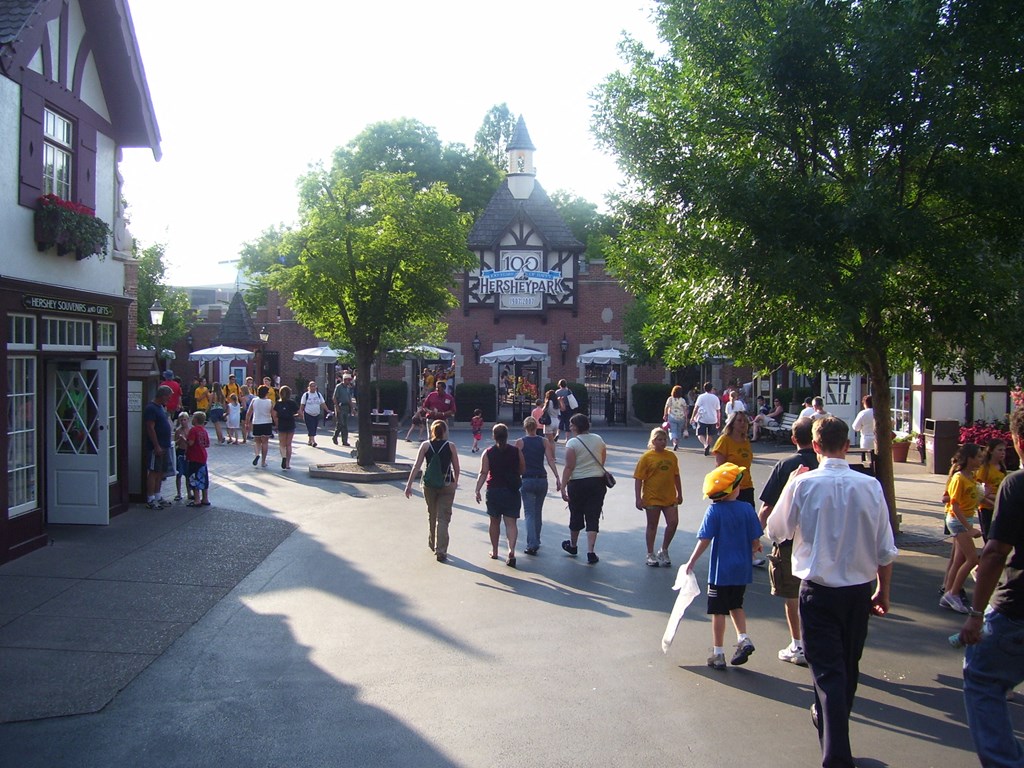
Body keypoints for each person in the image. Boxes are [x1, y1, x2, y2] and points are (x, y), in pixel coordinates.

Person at [766, 417, 898, 768]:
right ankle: (832, 730)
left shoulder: (803, 483)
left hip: (819, 590)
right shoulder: (870, 486)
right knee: (847, 668)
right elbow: (885, 548)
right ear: (847, 445)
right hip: (857, 590)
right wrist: (883, 591)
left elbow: (776, 531)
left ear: (816, 446)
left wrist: (788, 488)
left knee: (828, 673)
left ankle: (836, 753)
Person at [958, 408, 1024, 768]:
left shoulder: (1017, 484)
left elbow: (996, 552)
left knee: (982, 676)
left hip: (1017, 607)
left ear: (1017, 441)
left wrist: (976, 613)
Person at [685, 462, 763, 670]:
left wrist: (692, 561)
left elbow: (705, 539)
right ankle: (743, 638)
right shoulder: (747, 509)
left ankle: (718, 653)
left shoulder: (714, 511)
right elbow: (756, 540)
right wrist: (754, 548)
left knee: (718, 611)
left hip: (721, 571)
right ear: (734, 489)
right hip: (742, 569)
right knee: (736, 605)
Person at [757, 417, 818, 666]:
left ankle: (798, 644)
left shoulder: (785, 466)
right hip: (820, 539)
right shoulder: (823, 464)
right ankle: (818, 642)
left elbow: (767, 508)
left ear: (794, 439)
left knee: (792, 594)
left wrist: (754, 536)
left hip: (789, 539)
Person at [404, 420, 460, 563]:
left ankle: (432, 542)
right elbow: (456, 467)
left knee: (432, 514)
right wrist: (455, 483)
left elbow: (416, 466)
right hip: (446, 483)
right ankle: (441, 550)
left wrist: (409, 485)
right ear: (445, 431)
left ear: (432, 431)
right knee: (443, 518)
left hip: (429, 485)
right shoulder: (451, 446)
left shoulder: (425, 445)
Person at [939, 443, 985, 614]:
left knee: (959, 559)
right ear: (969, 459)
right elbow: (954, 505)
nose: (981, 460)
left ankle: (948, 592)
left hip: (966, 519)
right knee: (972, 559)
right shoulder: (958, 478)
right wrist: (969, 528)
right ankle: (953, 593)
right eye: (978, 457)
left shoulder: (971, 477)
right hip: (957, 521)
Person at [559, 413, 607, 564]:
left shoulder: (572, 443)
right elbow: (602, 458)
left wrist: (563, 486)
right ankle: (591, 551)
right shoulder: (598, 439)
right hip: (597, 481)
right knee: (593, 515)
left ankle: (573, 545)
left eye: (571, 424)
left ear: (576, 427)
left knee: (576, 513)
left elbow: (569, 467)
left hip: (577, 482)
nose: (570, 426)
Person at [475, 423, 525, 567]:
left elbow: (483, 472)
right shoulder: (516, 451)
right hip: (511, 490)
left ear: (494, 436)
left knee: (494, 522)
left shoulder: (488, 452)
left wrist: (477, 489)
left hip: (494, 490)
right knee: (511, 523)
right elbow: (522, 470)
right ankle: (511, 551)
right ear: (507, 436)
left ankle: (495, 550)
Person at [634, 427, 681, 567]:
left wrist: (680, 493)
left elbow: (676, 475)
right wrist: (638, 498)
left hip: (669, 496)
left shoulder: (671, 456)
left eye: (664, 439)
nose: (663, 442)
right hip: (652, 497)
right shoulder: (646, 457)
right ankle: (650, 554)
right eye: (659, 440)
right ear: (653, 441)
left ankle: (664, 550)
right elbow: (638, 478)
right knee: (652, 525)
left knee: (673, 522)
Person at [514, 416, 560, 556]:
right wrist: (557, 477)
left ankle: (532, 543)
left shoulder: (520, 442)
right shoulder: (544, 441)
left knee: (529, 513)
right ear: (536, 427)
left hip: (527, 479)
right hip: (541, 479)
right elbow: (550, 460)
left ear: (525, 427)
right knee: (538, 512)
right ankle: (537, 540)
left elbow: (514, 462)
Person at [144, 385, 174, 509]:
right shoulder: (151, 408)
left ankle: (158, 496)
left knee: (161, 472)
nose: (169, 399)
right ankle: (150, 499)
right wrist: (156, 445)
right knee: (153, 471)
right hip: (156, 446)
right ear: (162, 395)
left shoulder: (160, 407)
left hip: (165, 444)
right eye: (168, 397)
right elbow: (150, 428)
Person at [976, 438, 1008, 540]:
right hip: (986, 507)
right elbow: (978, 490)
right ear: (990, 451)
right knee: (988, 536)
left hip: (999, 505)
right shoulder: (984, 468)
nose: (1003, 453)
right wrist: (991, 499)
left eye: (1004, 450)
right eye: (999, 450)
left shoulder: (1002, 467)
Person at [245, 384, 276, 468]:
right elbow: (273, 414)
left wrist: (247, 423)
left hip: (256, 422)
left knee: (257, 441)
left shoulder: (254, 401)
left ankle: (257, 454)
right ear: (266, 393)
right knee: (265, 442)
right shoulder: (270, 402)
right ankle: (263, 461)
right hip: (267, 423)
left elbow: (249, 413)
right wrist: (276, 424)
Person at [185, 411, 211, 506]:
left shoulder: (193, 430)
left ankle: (197, 499)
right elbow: (207, 444)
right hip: (203, 456)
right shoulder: (204, 430)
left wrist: (184, 440)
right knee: (203, 477)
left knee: (194, 477)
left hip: (194, 457)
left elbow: (191, 443)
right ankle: (205, 498)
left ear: (195, 420)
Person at [693, 382, 721, 457]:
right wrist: (718, 420)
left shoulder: (701, 397)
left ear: (704, 388)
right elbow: (718, 410)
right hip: (713, 418)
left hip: (703, 418)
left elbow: (696, 408)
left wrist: (693, 417)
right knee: (710, 434)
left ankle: (705, 444)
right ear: (711, 389)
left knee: (700, 433)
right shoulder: (715, 398)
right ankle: (708, 445)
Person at [274, 385, 298, 470]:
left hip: (281, 423)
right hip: (290, 423)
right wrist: (293, 415)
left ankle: (283, 457)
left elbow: (275, 415)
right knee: (289, 444)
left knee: (282, 444)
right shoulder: (292, 403)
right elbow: (299, 413)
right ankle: (287, 463)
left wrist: (276, 425)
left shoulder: (278, 403)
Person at [331, 373, 356, 447]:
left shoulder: (348, 388)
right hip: (340, 406)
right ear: (344, 380)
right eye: (348, 380)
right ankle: (335, 436)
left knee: (345, 425)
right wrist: (336, 407)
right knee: (340, 423)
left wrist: (352, 408)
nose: (349, 381)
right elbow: (334, 398)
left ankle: (345, 441)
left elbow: (349, 399)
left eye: (350, 380)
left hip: (346, 407)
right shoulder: (338, 387)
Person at [300, 381, 327, 447]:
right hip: (308, 413)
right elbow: (302, 404)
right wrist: (300, 412)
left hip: (316, 414)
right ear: (309, 387)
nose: (313, 388)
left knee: (314, 427)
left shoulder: (318, 394)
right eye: (311, 386)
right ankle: (313, 441)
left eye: (314, 386)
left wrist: (327, 410)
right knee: (311, 427)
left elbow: (322, 403)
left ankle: (310, 440)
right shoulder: (306, 395)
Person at [663, 385, 690, 450]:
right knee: (679, 431)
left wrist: (665, 414)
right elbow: (685, 409)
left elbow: (666, 407)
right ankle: (677, 444)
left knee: (672, 430)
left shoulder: (670, 399)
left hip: (672, 416)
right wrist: (686, 417)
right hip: (681, 417)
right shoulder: (682, 400)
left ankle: (674, 442)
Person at [851, 395, 876, 465]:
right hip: (878, 439)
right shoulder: (879, 412)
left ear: (865, 404)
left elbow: (855, 427)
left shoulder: (863, 413)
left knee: (869, 460)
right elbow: (892, 421)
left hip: (866, 439)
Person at [173, 412, 191, 502]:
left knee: (188, 474)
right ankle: (179, 493)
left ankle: (189, 493)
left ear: (188, 420)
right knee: (179, 474)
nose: (183, 422)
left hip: (188, 453)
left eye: (185, 420)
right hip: (180, 452)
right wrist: (179, 440)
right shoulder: (178, 431)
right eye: (181, 420)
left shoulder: (190, 430)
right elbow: (174, 443)